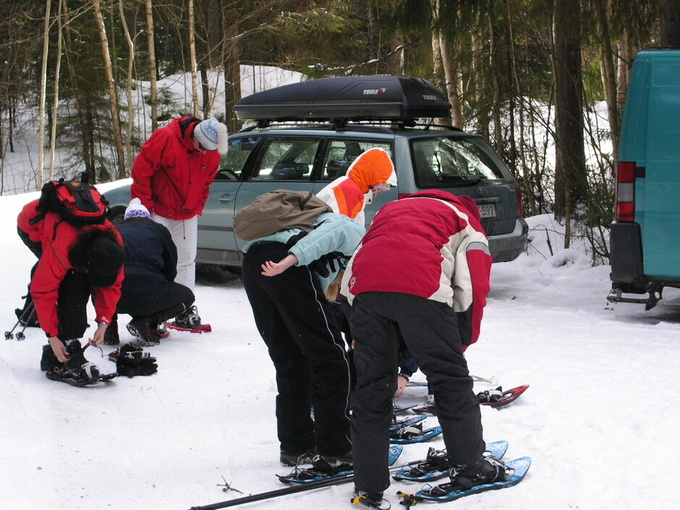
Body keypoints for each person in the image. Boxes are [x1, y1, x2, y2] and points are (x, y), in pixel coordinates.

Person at [340, 189, 507, 506]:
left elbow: (356, 263)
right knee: (449, 380)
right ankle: (470, 467)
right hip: (423, 287)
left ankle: (368, 483)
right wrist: (460, 341)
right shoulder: (466, 221)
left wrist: (354, 325)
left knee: (372, 387)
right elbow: (473, 285)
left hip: (365, 292)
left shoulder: (390, 212)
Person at [240, 209, 365, 469]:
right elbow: (330, 233)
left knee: (291, 360)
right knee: (332, 359)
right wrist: (288, 261)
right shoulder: (356, 233)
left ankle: (296, 446)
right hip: (283, 264)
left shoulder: (304, 230)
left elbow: (340, 301)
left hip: (255, 264)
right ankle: (337, 447)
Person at [130, 115, 228, 329]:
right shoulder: (165, 137)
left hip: (187, 213)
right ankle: (151, 313)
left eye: (210, 149)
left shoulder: (211, 152)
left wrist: (198, 205)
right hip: (158, 211)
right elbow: (141, 172)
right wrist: (144, 208)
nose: (205, 152)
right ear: (195, 136)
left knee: (186, 261)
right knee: (154, 262)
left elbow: (207, 182)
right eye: (202, 147)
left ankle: (184, 307)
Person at [17, 198, 124, 385]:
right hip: (32, 226)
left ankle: (56, 352)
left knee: (74, 278)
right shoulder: (64, 247)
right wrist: (52, 336)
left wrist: (104, 321)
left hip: (75, 237)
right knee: (72, 282)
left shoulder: (114, 244)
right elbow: (43, 291)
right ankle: (63, 350)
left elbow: (112, 285)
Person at [108, 198, 196, 346]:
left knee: (102, 285)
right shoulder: (159, 230)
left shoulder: (112, 231)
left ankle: (109, 330)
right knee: (187, 296)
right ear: (147, 217)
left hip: (115, 298)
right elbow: (170, 267)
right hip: (150, 294)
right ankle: (145, 321)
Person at [316, 147, 397, 227]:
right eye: (378, 189)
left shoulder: (351, 186)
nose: (376, 194)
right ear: (371, 180)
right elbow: (337, 228)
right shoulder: (349, 191)